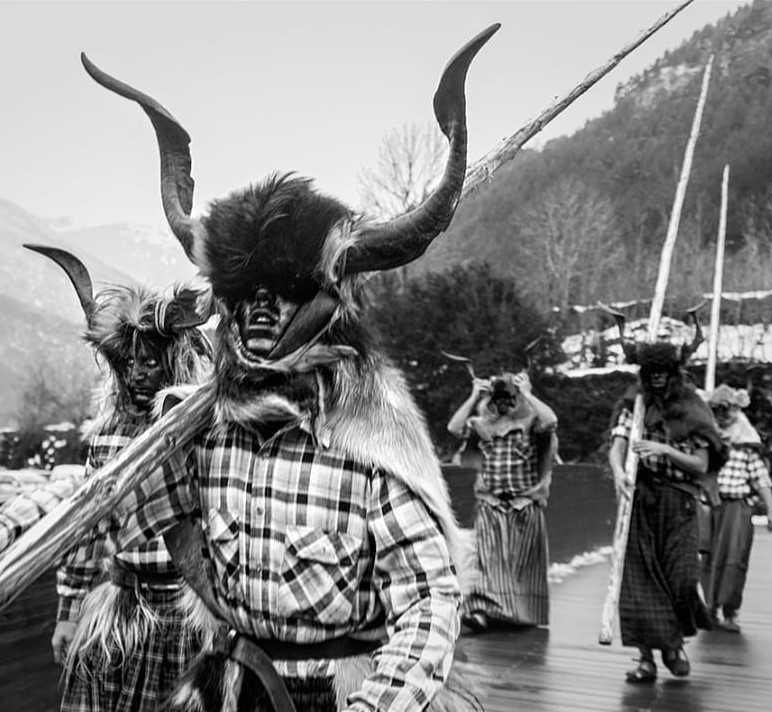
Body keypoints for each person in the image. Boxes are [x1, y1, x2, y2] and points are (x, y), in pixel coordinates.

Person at [78, 25, 498, 712]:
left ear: (326, 301)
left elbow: (428, 601)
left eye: (285, 292)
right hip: (228, 683)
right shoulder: (203, 431)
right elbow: (154, 519)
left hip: (340, 692)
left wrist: (375, 706)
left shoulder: (368, 438)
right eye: (246, 294)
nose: (261, 313)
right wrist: (157, 446)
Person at [9, 246, 215, 712]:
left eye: (150, 362)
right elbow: (87, 530)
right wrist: (68, 614)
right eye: (128, 364)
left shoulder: (202, 432)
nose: (137, 374)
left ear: (174, 361)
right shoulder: (108, 438)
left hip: (186, 615)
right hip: (120, 611)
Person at [608, 341, 726, 683]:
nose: (657, 378)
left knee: (682, 579)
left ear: (674, 373)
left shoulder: (692, 409)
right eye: (651, 372)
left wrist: (664, 449)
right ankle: (647, 659)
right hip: (640, 500)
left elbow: (701, 464)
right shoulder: (634, 405)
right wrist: (618, 472)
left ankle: (673, 645)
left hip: (680, 502)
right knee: (640, 581)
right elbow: (617, 447)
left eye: (663, 372)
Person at [447, 372, 558, 632]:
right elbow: (453, 428)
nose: (503, 405)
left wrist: (528, 392)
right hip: (490, 504)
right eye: (497, 400)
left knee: (522, 566)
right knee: (487, 561)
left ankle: (518, 616)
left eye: (509, 399)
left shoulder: (531, 424)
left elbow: (551, 421)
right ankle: (480, 612)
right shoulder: (482, 426)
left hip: (524, 504)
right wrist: (474, 395)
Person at [705, 384, 772, 633]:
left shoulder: (746, 446)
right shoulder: (707, 441)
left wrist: (771, 511)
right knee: (708, 558)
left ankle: (729, 611)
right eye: (717, 410)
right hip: (710, 505)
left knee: (733, 559)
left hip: (736, 507)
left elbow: (761, 479)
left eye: (726, 410)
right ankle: (709, 609)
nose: (722, 416)